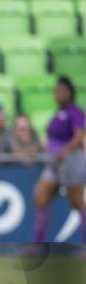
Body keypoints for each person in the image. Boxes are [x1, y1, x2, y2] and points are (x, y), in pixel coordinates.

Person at [33, 76, 86, 243]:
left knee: (77, 203)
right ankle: (38, 244)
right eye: (55, 91)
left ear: (69, 93)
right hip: (54, 163)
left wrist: (63, 151)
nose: (57, 94)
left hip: (71, 161)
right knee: (39, 197)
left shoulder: (75, 112)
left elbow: (79, 136)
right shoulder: (57, 113)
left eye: (60, 91)